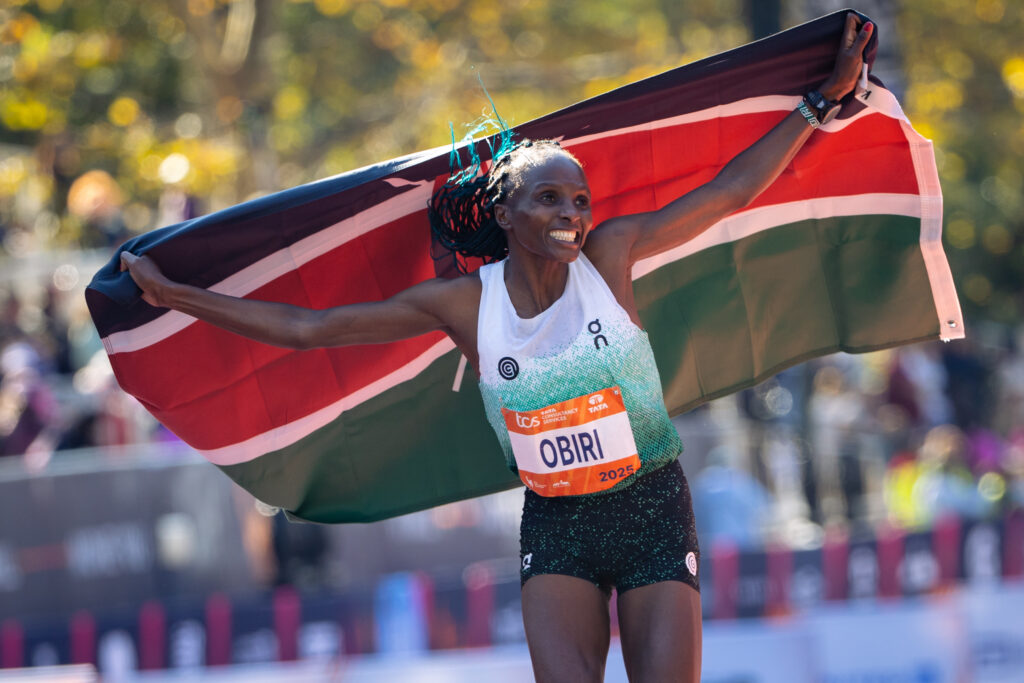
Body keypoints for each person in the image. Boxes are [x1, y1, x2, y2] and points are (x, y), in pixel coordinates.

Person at [121, 14, 872, 682]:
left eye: (579, 200)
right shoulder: (463, 304)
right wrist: (176, 296)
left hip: (651, 506)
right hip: (557, 523)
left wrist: (818, 104)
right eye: (549, 198)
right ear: (506, 211)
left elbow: (729, 192)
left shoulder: (611, 257)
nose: (572, 214)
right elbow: (310, 329)